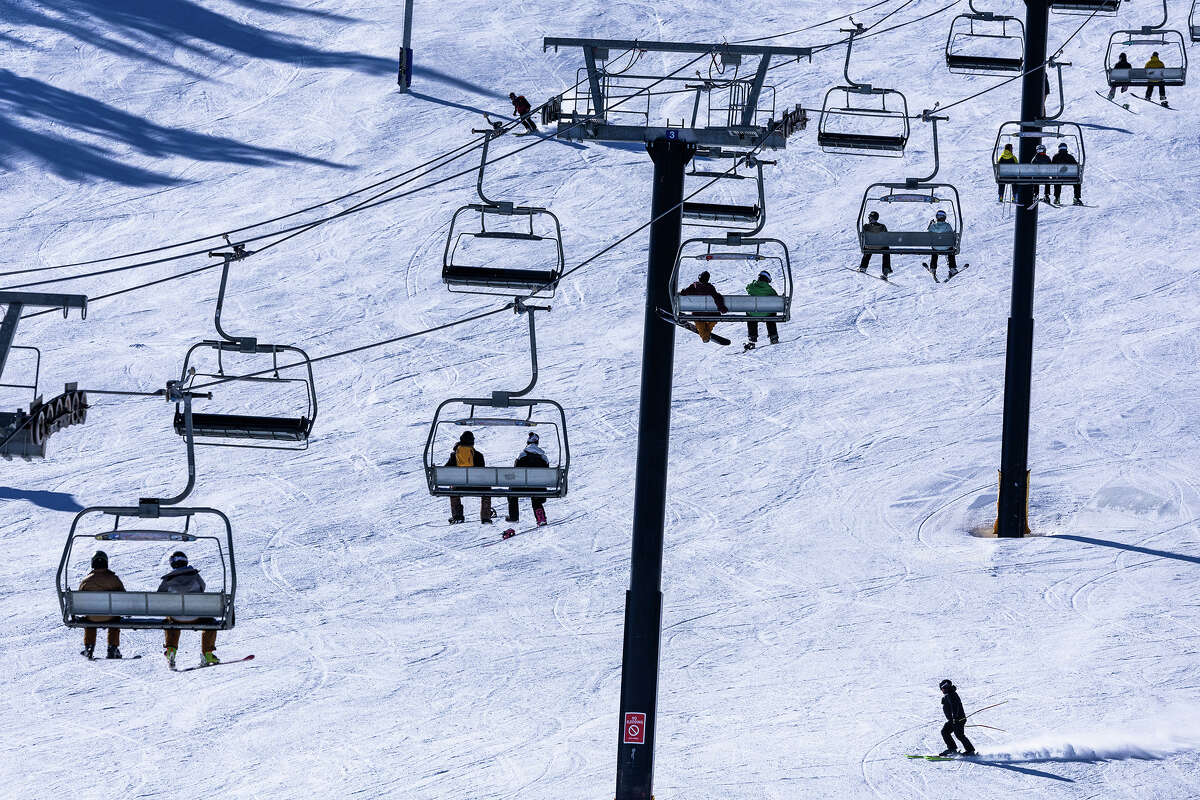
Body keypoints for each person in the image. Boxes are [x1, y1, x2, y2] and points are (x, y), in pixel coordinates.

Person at [159, 551, 218, 667]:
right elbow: (202, 588)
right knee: (211, 622)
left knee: (170, 620)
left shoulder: (168, 580)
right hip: (196, 616)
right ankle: (208, 653)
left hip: (176, 618)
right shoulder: (195, 576)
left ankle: (171, 651)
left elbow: (159, 596)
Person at [78, 550, 125, 660]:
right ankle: (112, 648)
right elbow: (123, 596)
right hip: (110, 616)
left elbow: (80, 599)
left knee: (89, 618)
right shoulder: (114, 579)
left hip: (92, 617)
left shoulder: (86, 581)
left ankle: (89, 647)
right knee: (115, 619)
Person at [446, 430, 494, 524]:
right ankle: (485, 517)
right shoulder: (479, 455)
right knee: (487, 489)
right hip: (477, 486)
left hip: (459, 486)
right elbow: (482, 473)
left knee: (453, 488)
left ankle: (457, 516)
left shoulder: (454, 455)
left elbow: (446, 470)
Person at [506, 432, 549, 526]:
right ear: (537, 443)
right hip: (539, 487)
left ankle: (513, 516)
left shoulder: (521, 455)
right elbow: (547, 474)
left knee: (512, 493)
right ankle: (540, 518)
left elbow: (515, 471)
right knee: (536, 496)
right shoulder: (544, 457)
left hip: (521, 486)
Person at [679, 271, 728, 343]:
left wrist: (683, 292)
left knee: (700, 323)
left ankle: (705, 335)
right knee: (712, 321)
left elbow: (685, 292)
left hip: (698, 314)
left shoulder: (694, 286)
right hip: (712, 315)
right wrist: (722, 308)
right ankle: (706, 333)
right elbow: (717, 297)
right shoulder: (710, 287)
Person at [938, 679, 976, 757]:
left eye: (944, 688)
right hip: (953, 719)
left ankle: (970, 751)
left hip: (958, 719)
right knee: (945, 731)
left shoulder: (951, 694)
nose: (943, 690)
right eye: (942, 688)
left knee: (959, 734)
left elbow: (955, 706)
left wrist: (955, 718)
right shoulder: (948, 695)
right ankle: (952, 748)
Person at [744, 269, 780, 349]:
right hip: (767, 314)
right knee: (772, 312)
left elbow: (747, 288)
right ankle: (773, 337)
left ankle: (752, 340)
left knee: (750, 314)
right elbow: (777, 299)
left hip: (753, 314)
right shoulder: (770, 290)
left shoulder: (752, 286)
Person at [926, 210, 959, 280]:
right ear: (944, 217)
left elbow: (928, 235)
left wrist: (930, 225)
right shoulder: (947, 226)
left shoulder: (933, 226)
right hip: (947, 247)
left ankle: (933, 268)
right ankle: (952, 268)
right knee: (951, 249)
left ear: (936, 217)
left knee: (934, 250)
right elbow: (952, 236)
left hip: (936, 247)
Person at [858, 211, 892, 279]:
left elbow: (863, 236)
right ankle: (886, 270)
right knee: (886, 250)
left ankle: (863, 267)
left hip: (869, 247)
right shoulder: (882, 226)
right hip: (880, 247)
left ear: (870, 218)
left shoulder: (866, 226)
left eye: (869, 217)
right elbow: (886, 237)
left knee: (868, 247)